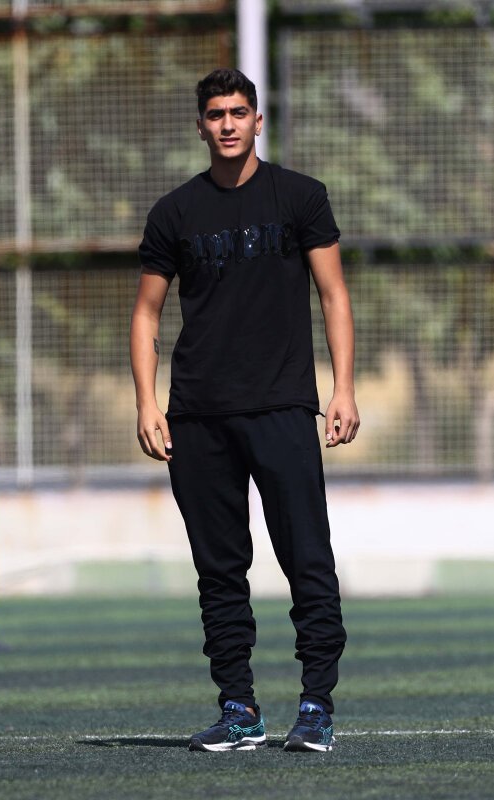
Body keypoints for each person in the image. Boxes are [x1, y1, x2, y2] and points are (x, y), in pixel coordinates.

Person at [129, 68, 358, 753]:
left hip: (283, 406)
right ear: (199, 126)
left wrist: (343, 389)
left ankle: (316, 707)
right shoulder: (174, 213)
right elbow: (146, 314)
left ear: (258, 120)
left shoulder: (301, 197)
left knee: (307, 559)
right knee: (219, 572)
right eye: (215, 114)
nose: (227, 124)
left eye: (238, 112)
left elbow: (334, 295)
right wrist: (147, 403)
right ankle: (239, 709)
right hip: (198, 416)